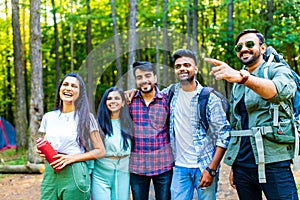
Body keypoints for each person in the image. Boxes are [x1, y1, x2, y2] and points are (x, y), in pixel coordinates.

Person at [205, 29, 299, 199]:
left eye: (249, 44)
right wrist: (235, 164)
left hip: (274, 163)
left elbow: (282, 91)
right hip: (243, 165)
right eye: (239, 46)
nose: (243, 49)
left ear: (262, 48)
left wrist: (244, 78)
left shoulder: (275, 70)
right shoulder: (237, 82)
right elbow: (237, 124)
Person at [160, 49, 230, 200]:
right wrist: (132, 92)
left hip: (204, 165)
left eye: (187, 65)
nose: (182, 69)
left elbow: (223, 136)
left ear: (195, 69)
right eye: (178, 66)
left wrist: (211, 170)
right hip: (179, 167)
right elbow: (150, 97)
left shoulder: (209, 97)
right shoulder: (170, 93)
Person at [37, 72, 106, 200]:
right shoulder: (48, 117)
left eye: (74, 86)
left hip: (75, 172)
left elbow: (100, 151)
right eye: (65, 84)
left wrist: (71, 158)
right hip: (51, 172)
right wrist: (42, 152)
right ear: (60, 89)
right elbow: (49, 145)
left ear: (80, 93)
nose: (69, 88)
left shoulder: (86, 117)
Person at [129, 61, 174, 200]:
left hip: (163, 164)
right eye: (139, 77)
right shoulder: (129, 101)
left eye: (147, 76)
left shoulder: (166, 100)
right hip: (137, 166)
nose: (144, 80)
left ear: (155, 78)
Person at [92, 87, 133, 200]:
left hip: (123, 172)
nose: (113, 101)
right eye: (109, 99)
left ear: (123, 102)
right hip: (101, 174)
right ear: (105, 102)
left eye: (117, 98)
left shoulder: (129, 123)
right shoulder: (97, 124)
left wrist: (131, 91)